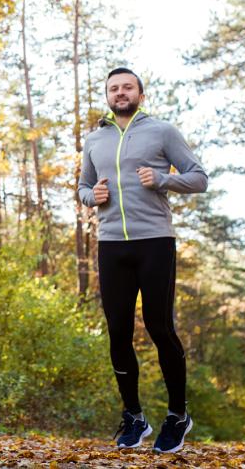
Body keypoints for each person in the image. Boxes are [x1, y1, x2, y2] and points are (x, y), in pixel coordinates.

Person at [78, 67, 208, 454]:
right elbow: (84, 186)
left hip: (155, 242)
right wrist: (91, 196)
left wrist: (163, 179)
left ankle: (178, 415)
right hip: (111, 244)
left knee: (159, 327)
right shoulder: (94, 139)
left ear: (141, 94)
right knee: (117, 331)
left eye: (127, 87)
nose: (120, 93)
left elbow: (199, 177)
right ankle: (134, 416)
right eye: (114, 88)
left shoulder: (162, 131)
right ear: (107, 96)